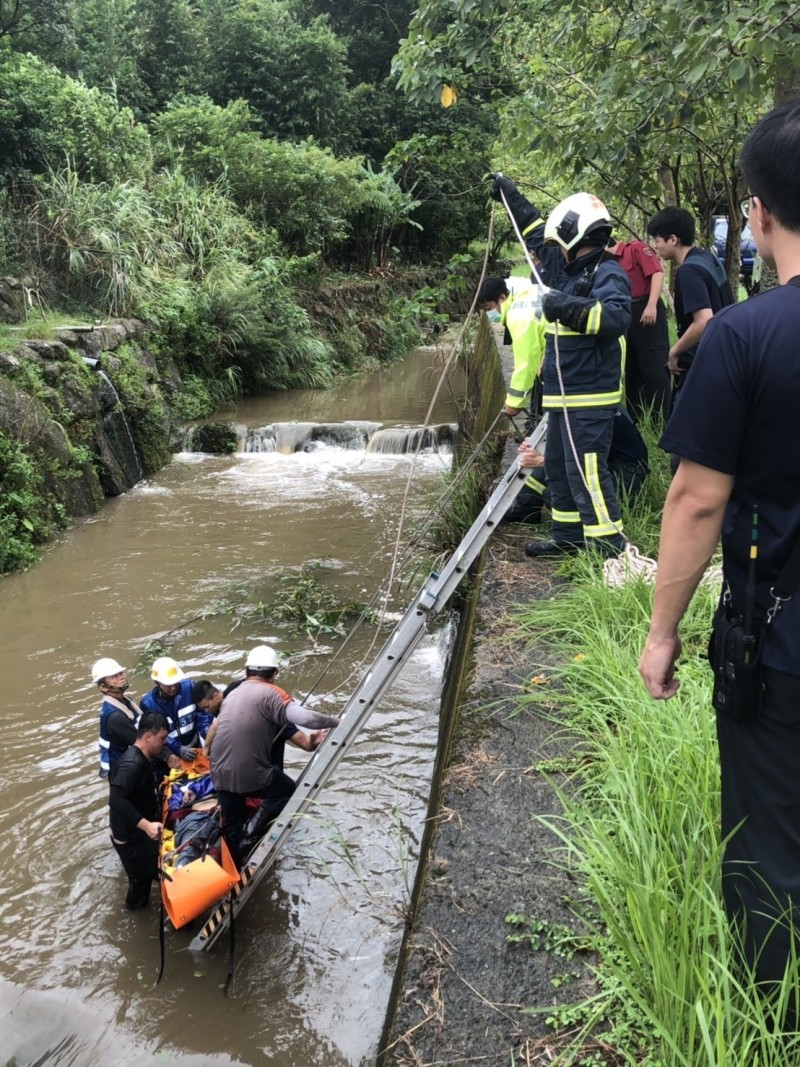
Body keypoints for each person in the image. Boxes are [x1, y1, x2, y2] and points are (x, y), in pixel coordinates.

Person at [639, 98, 800, 1003]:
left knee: (772, 848)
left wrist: (662, 632)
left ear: (761, 214)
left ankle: (771, 1022)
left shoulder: (744, 336)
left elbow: (697, 499)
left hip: (779, 643)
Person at [490, 176, 631, 558]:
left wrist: (563, 307)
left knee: (588, 473)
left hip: (589, 397)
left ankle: (609, 547)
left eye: (560, 243)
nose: (554, 251)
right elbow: (535, 234)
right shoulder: (569, 271)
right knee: (560, 468)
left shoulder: (607, 273)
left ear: (574, 235)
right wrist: (509, 196)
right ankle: (568, 538)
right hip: (563, 396)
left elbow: (616, 317)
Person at [210, 645, 341, 864]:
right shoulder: (272, 693)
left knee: (232, 824)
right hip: (249, 772)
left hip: (218, 772)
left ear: (246, 671)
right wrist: (337, 721)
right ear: (273, 674)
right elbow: (306, 719)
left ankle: (234, 864)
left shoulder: (232, 694)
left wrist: (310, 742)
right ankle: (250, 836)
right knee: (286, 791)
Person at [508, 406, 649, 526]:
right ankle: (525, 510)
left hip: (624, 474)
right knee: (539, 470)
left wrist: (542, 460)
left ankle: (577, 531)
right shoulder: (582, 404)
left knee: (557, 495)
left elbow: (586, 460)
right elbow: (564, 441)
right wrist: (535, 444)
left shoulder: (592, 414)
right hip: (606, 462)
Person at [645, 206, 734, 388]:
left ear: (673, 239)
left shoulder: (689, 271)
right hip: (726, 353)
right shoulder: (708, 258)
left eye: (657, 240)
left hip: (705, 361)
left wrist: (675, 351)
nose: (656, 246)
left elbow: (703, 321)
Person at [607, 236, 670, 422]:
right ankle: (636, 420)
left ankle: (662, 420)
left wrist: (651, 305)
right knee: (630, 368)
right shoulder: (607, 263)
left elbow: (657, 273)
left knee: (654, 367)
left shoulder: (635, 249)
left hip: (645, 308)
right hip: (625, 313)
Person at [108, 712, 168, 909]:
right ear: (148, 736)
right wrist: (147, 826)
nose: (164, 743)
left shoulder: (143, 757)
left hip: (134, 835)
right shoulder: (132, 764)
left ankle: (135, 913)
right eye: (162, 738)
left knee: (139, 884)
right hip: (133, 840)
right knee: (171, 877)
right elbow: (116, 800)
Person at [477, 277, 546, 418]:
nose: (490, 315)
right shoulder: (527, 296)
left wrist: (514, 404)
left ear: (502, 298)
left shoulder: (519, 316)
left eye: (489, 309)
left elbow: (526, 364)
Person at [140, 656, 203, 761]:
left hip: (195, 747)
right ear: (157, 682)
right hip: (170, 753)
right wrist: (178, 748)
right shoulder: (148, 704)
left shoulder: (190, 687)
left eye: (176, 683)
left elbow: (203, 713)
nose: (173, 688)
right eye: (168, 685)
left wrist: (206, 731)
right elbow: (154, 735)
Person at [93, 657, 142, 780]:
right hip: (123, 774)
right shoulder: (115, 716)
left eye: (121, 673)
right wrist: (168, 756)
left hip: (130, 765)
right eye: (114, 676)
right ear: (103, 687)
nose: (121, 677)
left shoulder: (126, 700)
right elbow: (141, 743)